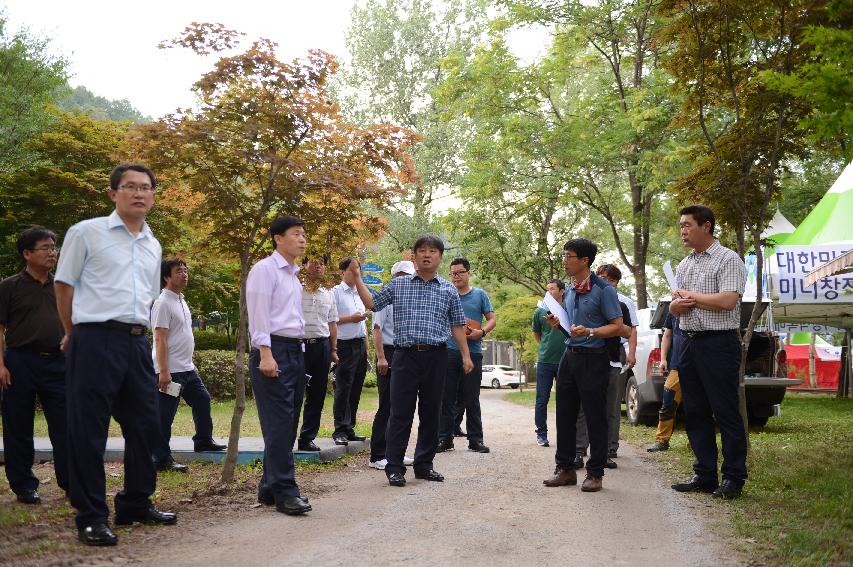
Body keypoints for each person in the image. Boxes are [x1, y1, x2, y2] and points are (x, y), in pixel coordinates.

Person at [55, 164, 176, 546]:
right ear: (113, 193)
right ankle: (91, 516)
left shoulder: (153, 243)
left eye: (145, 188)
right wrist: (73, 331)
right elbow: (63, 285)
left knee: (146, 424)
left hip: (137, 343)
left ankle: (135, 502)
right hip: (94, 338)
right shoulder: (86, 232)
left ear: (153, 196)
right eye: (129, 187)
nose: (138, 193)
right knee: (89, 430)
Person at [347, 235, 473, 487]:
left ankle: (424, 465)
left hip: (437, 356)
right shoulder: (399, 285)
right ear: (414, 256)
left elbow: (457, 324)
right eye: (422, 251)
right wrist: (358, 278)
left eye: (433, 251)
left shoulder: (448, 289)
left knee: (431, 413)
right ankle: (394, 467)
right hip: (404, 356)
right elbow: (372, 303)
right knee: (400, 413)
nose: (427, 255)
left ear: (440, 257)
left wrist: (465, 355)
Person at [670, 205, 747, 500]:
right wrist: (676, 308)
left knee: (725, 411)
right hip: (688, 341)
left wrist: (691, 298)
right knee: (696, 411)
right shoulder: (684, 265)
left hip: (719, 343)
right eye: (680, 226)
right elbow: (677, 305)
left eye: (688, 225)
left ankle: (733, 477)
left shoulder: (729, 259)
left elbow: (728, 300)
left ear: (706, 226)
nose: (683, 231)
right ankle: (704, 474)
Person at [542, 238, 625, 493]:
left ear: (584, 260)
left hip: (594, 358)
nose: (565, 260)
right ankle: (565, 468)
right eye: (564, 255)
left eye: (569, 256)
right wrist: (560, 325)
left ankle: (595, 473)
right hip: (570, 356)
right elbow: (572, 327)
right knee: (565, 414)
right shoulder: (570, 289)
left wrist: (589, 331)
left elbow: (618, 326)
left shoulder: (603, 290)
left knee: (594, 416)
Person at [245, 216, 311, 515]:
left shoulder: (292, 275)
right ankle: (286, 491)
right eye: (296, 234)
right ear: (277, 238)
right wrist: (266, 354)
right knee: (279, 424)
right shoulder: (264, 270)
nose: (302, 239)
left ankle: (270, 487)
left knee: (287, 423)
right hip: (272, 349)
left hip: (295, 351)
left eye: (303, 234)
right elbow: (259, 316)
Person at [0, 227, 68, 505]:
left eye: (54, 247)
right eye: (45, 248)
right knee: (18, 425)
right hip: (19, 361)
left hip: (58, 363)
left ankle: (71, 481)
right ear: (27, 253)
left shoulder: (62, 286)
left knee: (66, 425)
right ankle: (24, 485)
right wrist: (1, 364)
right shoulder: (8, 286)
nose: (52, 252)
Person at [151, 258, 226, 473]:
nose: (184, 274)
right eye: (178, 271)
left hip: (187, 369)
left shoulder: (181, 300)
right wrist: (163, 372)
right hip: (170, 371)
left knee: (202, 400)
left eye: (185, 270)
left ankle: (203, 441)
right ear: (167, 277)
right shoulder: (163, 302)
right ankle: (161, 460)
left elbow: (182, 336)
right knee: (164, 416)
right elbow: (160, 339)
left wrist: (191, 364)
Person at [437, 258, 496, 454]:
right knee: (446, 396)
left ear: (468, 273)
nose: (457, 276)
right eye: (453, 273)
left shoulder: (480, 295)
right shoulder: (445, 294)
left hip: (474, 351)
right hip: (449, 351)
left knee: (472, 397)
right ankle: (445, 438)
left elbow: (491, 319)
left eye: (460, 272)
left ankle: (475, 440)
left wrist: (482, 332)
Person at [368, 260, 416, 470]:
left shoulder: (410, 299)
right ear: (396, 276)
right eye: (403, 275)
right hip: (388, 352)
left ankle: (396, 451)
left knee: (402, 406)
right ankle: (377, 454)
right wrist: (380, 357)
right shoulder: (386, 298)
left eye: (409, 275)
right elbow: (377, 329)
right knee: (386, 404)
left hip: (405, 352)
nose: (406, 278)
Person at [595, 264, 639, 460]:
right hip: (593, 349)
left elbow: (632, 329)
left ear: (617, 282)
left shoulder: (625, 302)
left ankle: (611, 446)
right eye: (603, 278)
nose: (607, 282)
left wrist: (632, 353)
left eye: (611, 280)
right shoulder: (592, 298)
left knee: (613, 402)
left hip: (617, 350)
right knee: (591, 400)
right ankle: (587, 446)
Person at [297, 253, 339, 452]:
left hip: (321, 346)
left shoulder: (328, 291)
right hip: (298, 345)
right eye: (314, 262)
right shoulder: (295, 288)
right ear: (304, 264)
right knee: (294, 392)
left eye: (322, 263)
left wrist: (333, 349)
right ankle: (286, 437)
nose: (318, 266)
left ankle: (307, 438)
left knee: (317, 394)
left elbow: (332, 323)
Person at [331, 257, 370, 446]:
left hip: (360, 345)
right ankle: (339, 429)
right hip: (344, 346)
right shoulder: (336, 292)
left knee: (355, 388)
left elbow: (364, 326)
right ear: (342, 271)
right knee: (343, 388)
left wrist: (367, 350)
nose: (356, 273)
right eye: (352, 269)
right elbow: (331, 319)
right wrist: (350, 318)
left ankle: (350, 427)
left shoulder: (360, 293)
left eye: (358, 270)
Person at [532, 279, 568, 447]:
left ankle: (564, 435)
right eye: (547, 289)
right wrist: (546, 347)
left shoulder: (569, 308)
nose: (549, 292)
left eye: (552, 289)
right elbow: (537, 334)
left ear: (562, 291)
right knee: (542, 399)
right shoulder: (540, 312)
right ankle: (541, 434)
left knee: (565, 401)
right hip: (545, 361)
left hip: (566, 361)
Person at [648, 314, 683, 452]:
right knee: (668, 401)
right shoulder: (672, 312)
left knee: (698, 405)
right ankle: (662, 441)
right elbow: (667, 336)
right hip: (676, 366)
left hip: (698, 366)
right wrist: (663, 359)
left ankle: (698, 442)